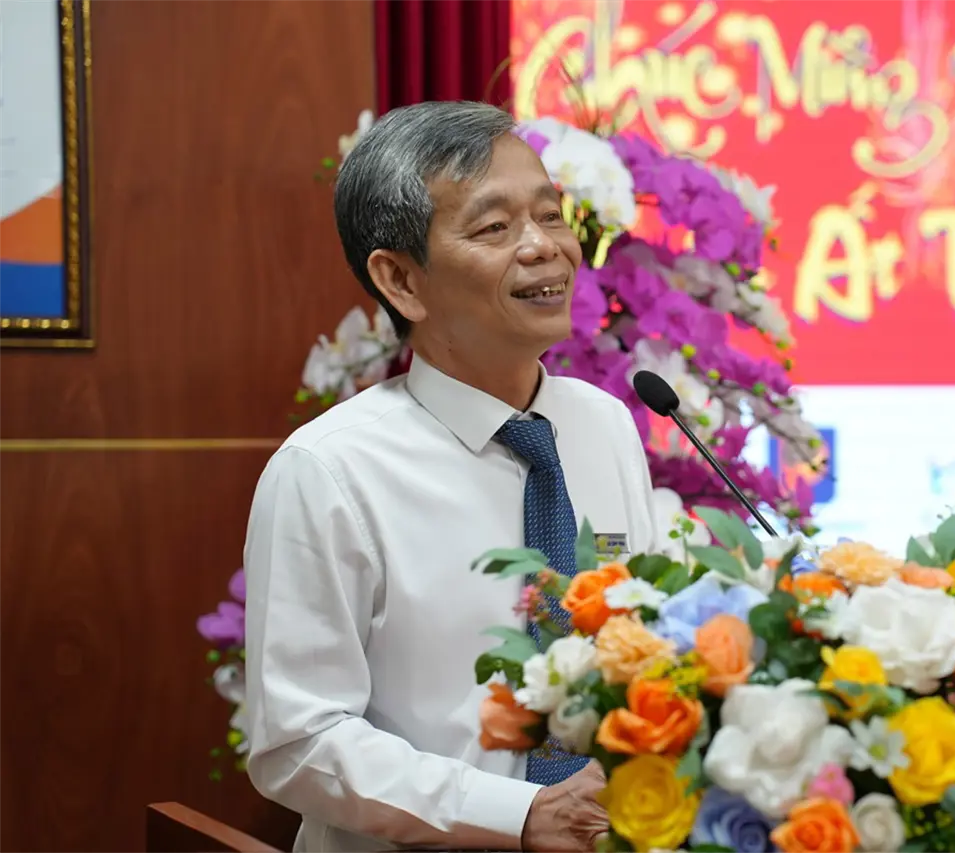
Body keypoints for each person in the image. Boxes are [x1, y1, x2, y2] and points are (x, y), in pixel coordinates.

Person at [242, 101, 660, 853]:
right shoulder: (329, 470)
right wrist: (517, 814)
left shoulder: (605, 424)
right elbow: (299, 741)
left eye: (551, 215)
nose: (544, 247)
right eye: (495, 227)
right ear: (401, 279)